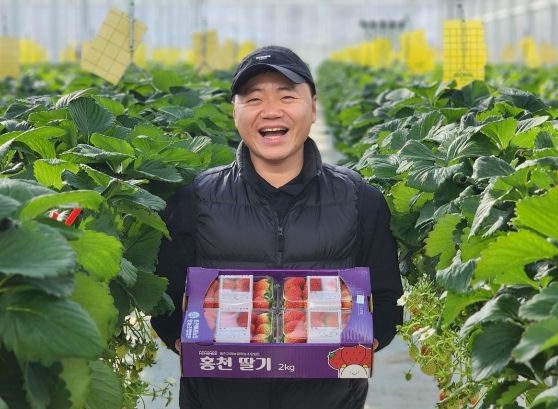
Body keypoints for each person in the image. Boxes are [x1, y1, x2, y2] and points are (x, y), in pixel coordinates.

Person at [150, 45, 403, 409]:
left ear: (313, 107)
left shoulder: (360, 200)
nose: (271, 110)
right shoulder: (194, 200)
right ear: (234, 111)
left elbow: (386, 299)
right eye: (253, 99)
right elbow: (167, 299)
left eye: (287, 96)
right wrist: (191, 345)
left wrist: (361, 345)